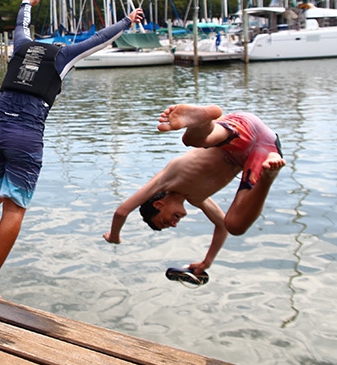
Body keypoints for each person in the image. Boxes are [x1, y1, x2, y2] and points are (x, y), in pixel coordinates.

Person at [0, 0, 145, 298]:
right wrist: (127, 21)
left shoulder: (22, 47)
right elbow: (100, 40)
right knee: (15, 208)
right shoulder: (64, 54)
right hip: (25, 135)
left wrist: (26, 2)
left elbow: (21, 27)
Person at [103, 104, 286, 275]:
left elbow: (122, 211)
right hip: (260, 155)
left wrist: (114, 236)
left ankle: (203, 119)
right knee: (235, 226)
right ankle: (268, 175)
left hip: (237, 131)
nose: (174, 224)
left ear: (159, 203)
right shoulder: (198, 198)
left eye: (166, 222)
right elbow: (222, 226)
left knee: (194, 139)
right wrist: (206, 262)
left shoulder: (165, 180)